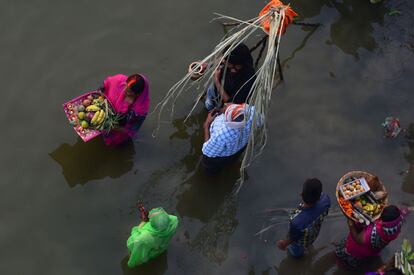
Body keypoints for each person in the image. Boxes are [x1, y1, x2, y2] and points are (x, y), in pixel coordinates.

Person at [335, 205, 405, 269]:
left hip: (356, 251)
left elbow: (357, 239)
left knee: (343, 263)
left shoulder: (371, 234)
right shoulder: (397, 226)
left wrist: (351, 226)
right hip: (372, 250)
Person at [277, 178, 331, 258]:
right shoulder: (326, 200)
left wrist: (283, 244)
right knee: (308, 240)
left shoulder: (296, 221)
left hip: (301, 242)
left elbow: (292, 238)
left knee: (296, 251)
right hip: (314, 233)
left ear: (301, 194)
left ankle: (298, 256)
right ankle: (308, 246)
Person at [201, 103, 256, 175]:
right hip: (238, 149)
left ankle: (211, 177)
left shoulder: (221, 135)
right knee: (231, 162)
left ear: (227, 121)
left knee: (210, 169)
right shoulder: (252, 112)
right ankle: (230, 166)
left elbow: (207, 151)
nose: (228, 105)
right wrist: (222, 110)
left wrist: (206, 125)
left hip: (220, 157)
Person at [99, 73, 150, 146]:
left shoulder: (139, 111)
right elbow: (104, 86)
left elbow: (122, 125)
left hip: (118, 131)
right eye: (125, 85)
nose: (124, 90)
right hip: (105, 118)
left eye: (129, 92)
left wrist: (126, 104)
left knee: (116, 145)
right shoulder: (119, 80)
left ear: (137, 94)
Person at [205, 43, 256, 111]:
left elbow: (231, 103)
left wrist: (217, 81)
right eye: (227, 62)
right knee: (209, 103)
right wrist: (207, 65)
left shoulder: (249, 79)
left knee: (213, 110)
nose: (224, 62)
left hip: (224, 103)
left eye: (229, 64)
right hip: (215, 91)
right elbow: (222, 59)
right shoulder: (232, 59)